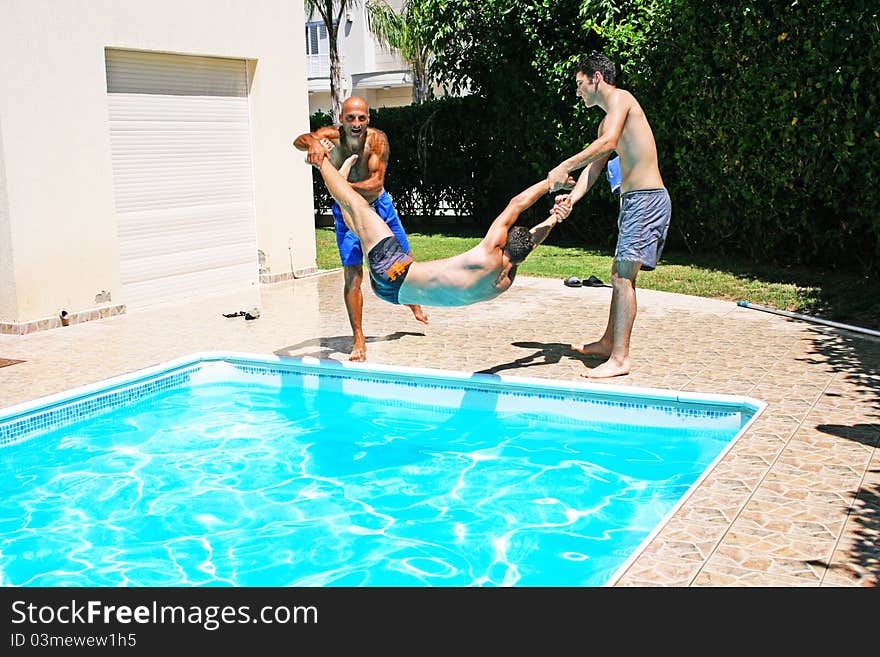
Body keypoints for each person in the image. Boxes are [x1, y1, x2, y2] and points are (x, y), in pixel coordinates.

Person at [308, 151, 573, 308]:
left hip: (396, 270)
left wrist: (551, 184)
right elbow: (532, 241)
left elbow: (516, 205)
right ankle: (337, 184)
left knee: (358, 206)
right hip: (391, 294)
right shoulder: (504, 280)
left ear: (503, 243)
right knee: (361, 228)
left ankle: (321, 161)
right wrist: (554, 218)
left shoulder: (489, 253)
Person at [547, 52, 671, 379]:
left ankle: (620, 358)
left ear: (596, 78)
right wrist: (571, 198)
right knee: (619, 272)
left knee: (622, 277)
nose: (578, 92)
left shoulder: (621, 99)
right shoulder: (606, 120)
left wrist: (563, 165)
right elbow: (597, 164)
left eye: (579, 84)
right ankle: (608, 342)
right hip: (634, 202)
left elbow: (608, 144)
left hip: (646, 200)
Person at [294, 96, 427, 361]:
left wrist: (341, 185)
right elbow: (299, 140)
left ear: (369, 119)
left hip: (379, 206)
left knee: (404, 263)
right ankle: (359, 337)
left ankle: (413, 302)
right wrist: (312, 145)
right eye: (350, 118)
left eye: (361, 118)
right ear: (341, 119)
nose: (356, 123)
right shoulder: (329, 136)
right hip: (345, 214)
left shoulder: (377, 140)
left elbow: (376, 183)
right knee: (353, 275)